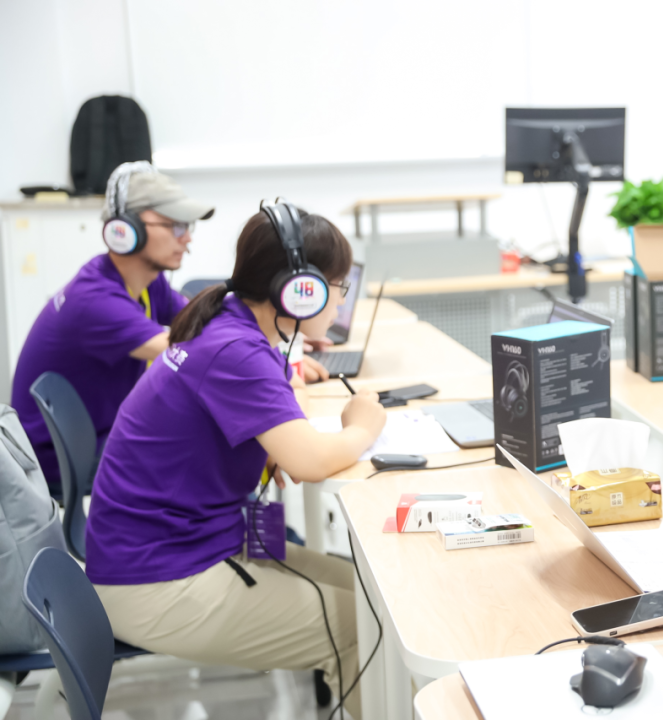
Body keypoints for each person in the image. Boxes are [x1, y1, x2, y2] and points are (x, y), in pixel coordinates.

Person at [85, 205, 386, 720]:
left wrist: (277, 447)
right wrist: (363, 425)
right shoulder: (236, 351)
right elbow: (310, 462)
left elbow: (279, 436)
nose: (341, 300)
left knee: (376, 598)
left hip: (186, 548)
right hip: (159, 580)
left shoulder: (231, 323)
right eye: (337, 286)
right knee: (364, 628)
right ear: (299, 291)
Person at [10, 163, 213, 492]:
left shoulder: (146, 282)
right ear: (125, 230)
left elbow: (201, 319)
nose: (187, 238)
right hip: (62, 463)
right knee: (205, 456)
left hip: (98, 437)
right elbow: (190, 354)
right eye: (176, 226)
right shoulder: (95, 300)